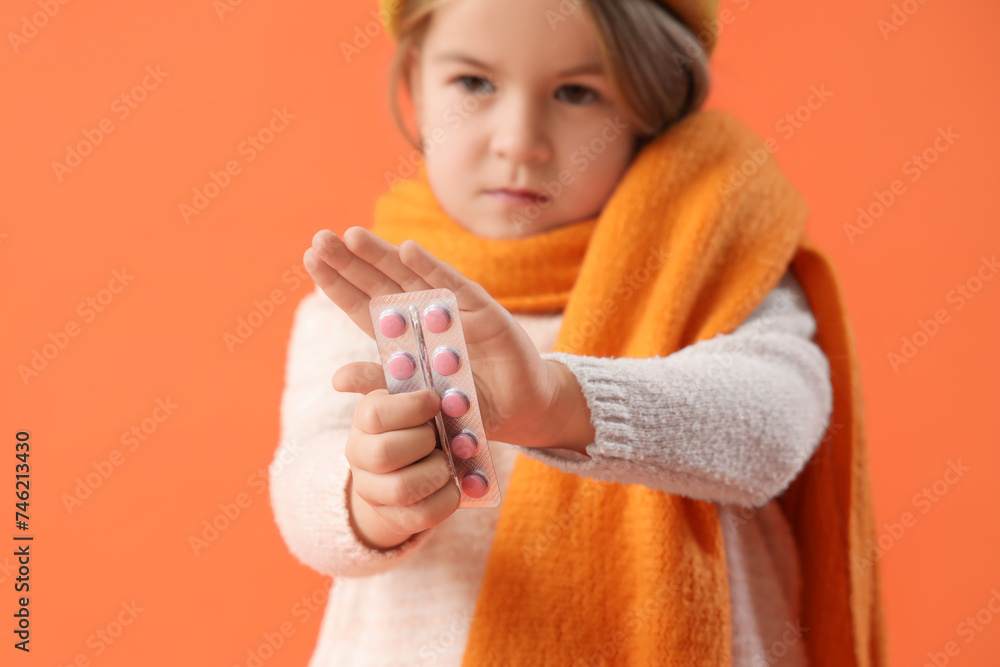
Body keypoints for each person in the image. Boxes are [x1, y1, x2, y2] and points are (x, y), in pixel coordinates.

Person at [270, 0, 888, 665]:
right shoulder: (377, 300)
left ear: (649, 106)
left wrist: (560, 404)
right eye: (474, 81)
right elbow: (303, 478)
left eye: (576, 92)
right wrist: (368, 495)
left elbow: (775, 423)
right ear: (416, 80)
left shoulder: (721, 260)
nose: (519, 141)